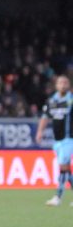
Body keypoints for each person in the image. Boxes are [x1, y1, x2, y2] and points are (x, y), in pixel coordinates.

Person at [36, 74, 73, 206]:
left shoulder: (71, 100)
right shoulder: (52, 101)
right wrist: (40, 131)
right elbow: (45, 117)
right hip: (57, 141)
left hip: (69, 139)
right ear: (56, 85)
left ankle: (58, 197)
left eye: (65, 82)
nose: (63, 85)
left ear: (68, 85)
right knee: (67, 168)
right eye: (60, 82)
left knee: (63, 167)